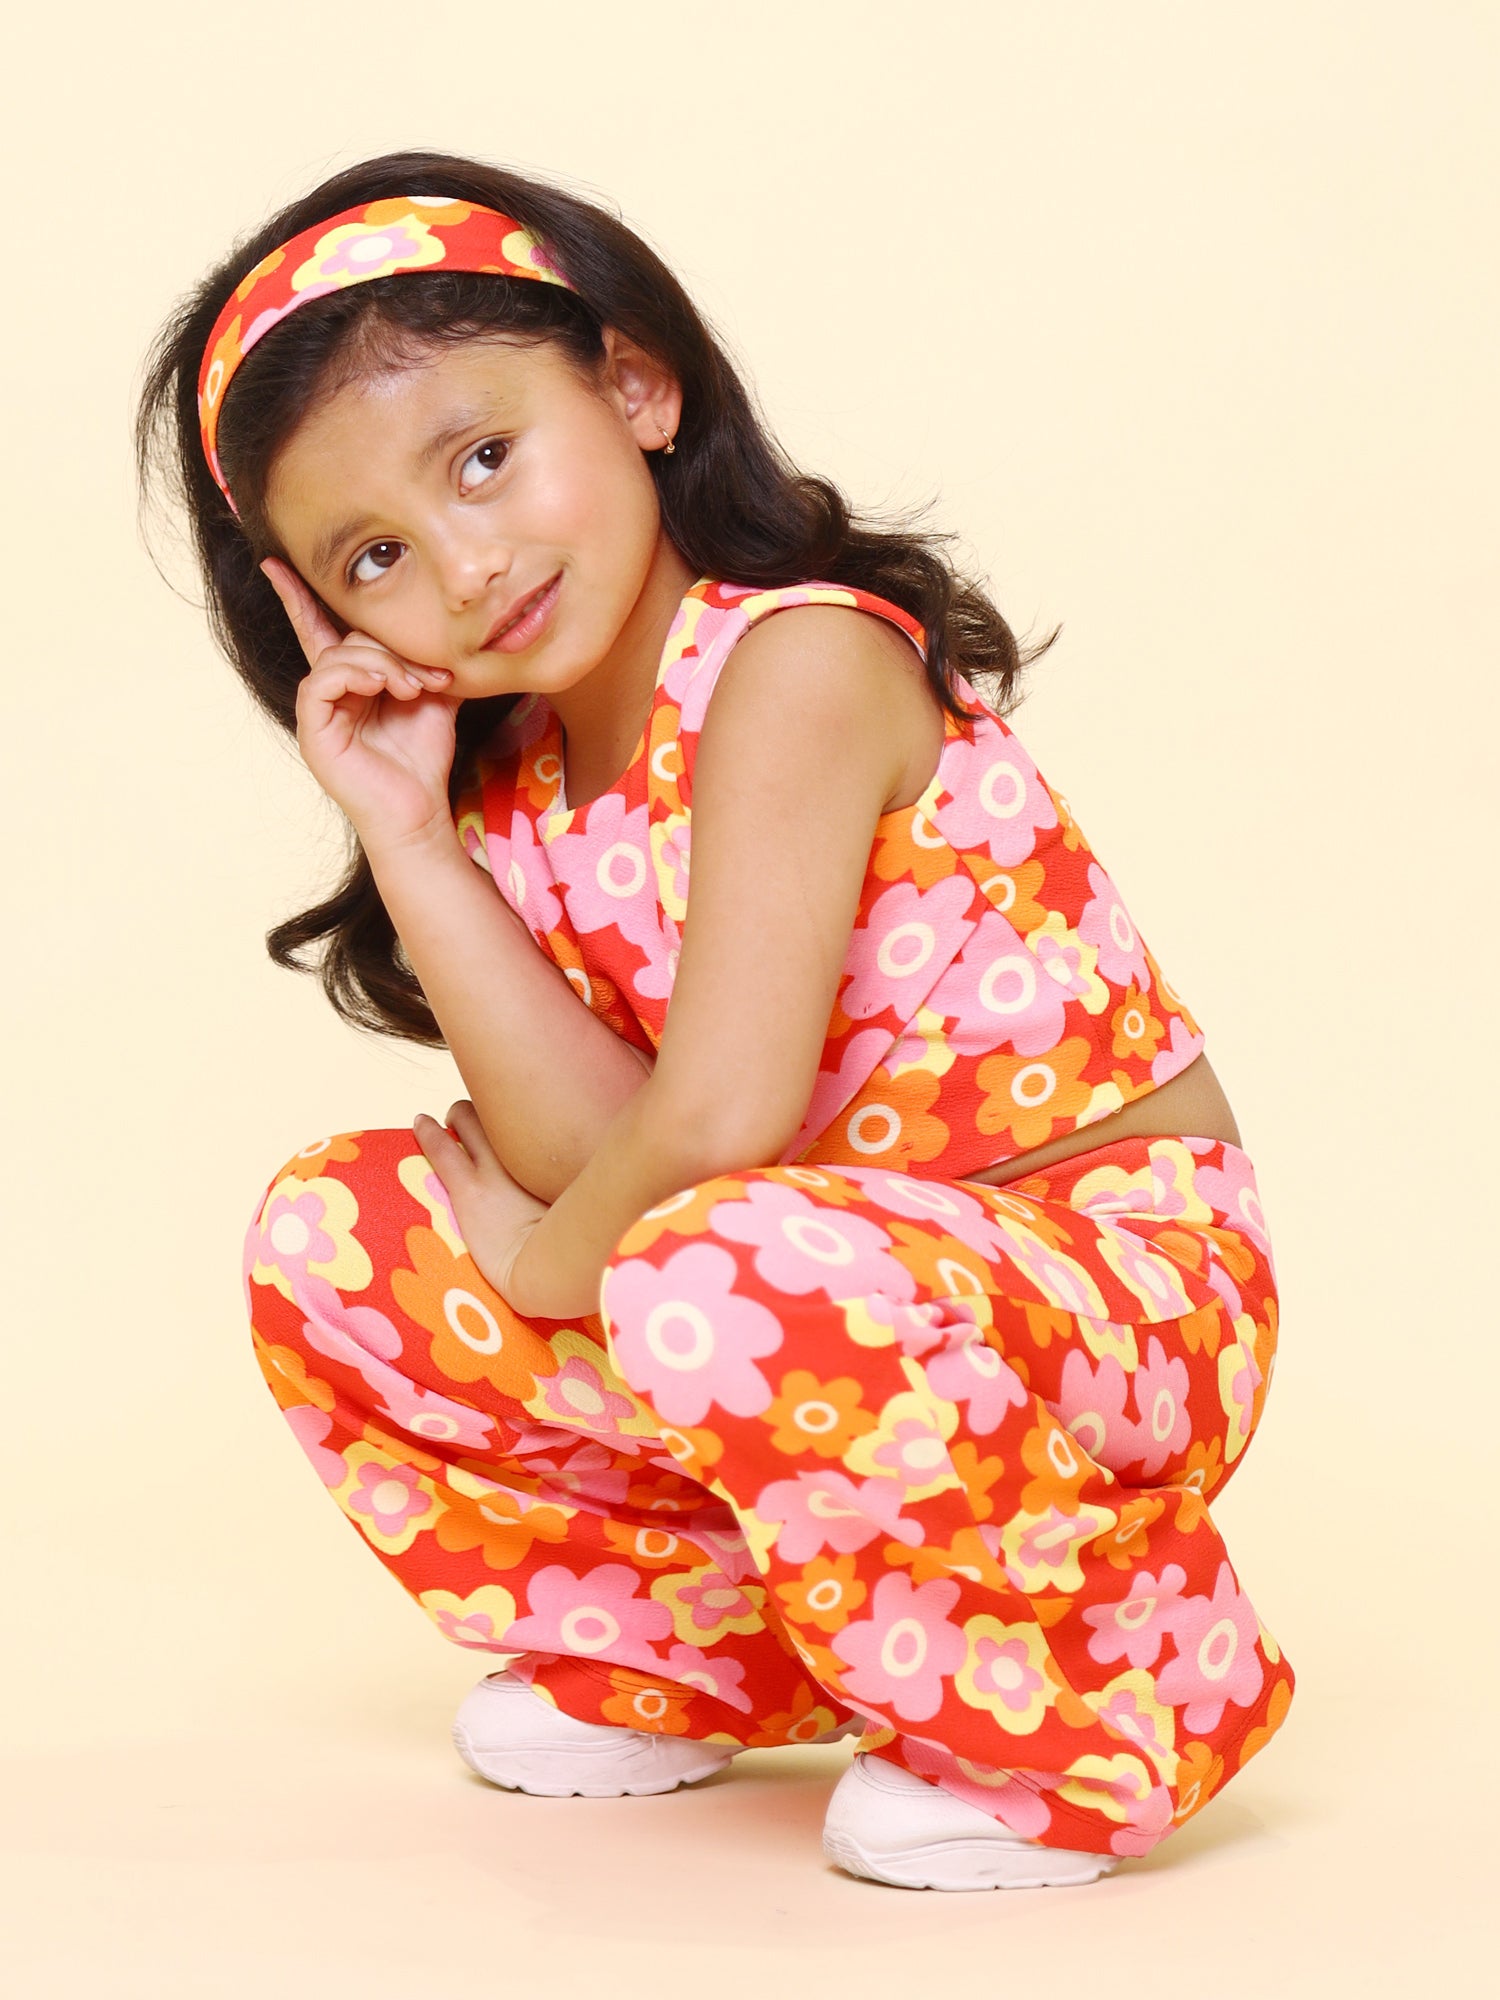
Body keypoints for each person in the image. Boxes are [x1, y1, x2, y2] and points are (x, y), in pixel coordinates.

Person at [135, 148, 1295, 1892]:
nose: (461, 564)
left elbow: (710, 1128)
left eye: (485, 457)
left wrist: (547, 1264)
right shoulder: (510, 775)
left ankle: (1099, 1703)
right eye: (375, 552)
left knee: (703, 1260)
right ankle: (717, 1653)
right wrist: (411, 835)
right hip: (789, 1283)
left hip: (1111, 1290)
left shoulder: (801, 661)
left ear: (638, 385)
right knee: (342, 1235)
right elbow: (597, 1153)